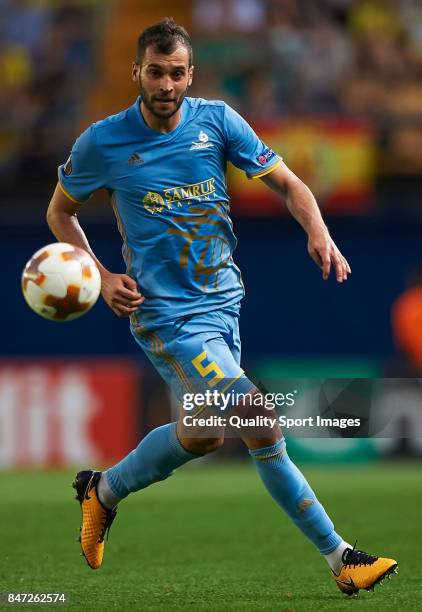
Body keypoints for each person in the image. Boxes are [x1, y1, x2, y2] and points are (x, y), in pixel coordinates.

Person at [46, 18, 397, 596]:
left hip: (223, 307)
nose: (165, 84)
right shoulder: (102, 142)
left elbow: (290, 183)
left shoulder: (218, 121)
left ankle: (102, 489)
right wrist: (102, 275)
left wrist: (319, 232)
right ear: (137, 72)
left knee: (204, 434)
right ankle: (342, 559)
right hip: (167, 317)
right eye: (155, 72)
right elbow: (61, 212)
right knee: (258, 419)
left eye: (176, 73)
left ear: (191, 74)